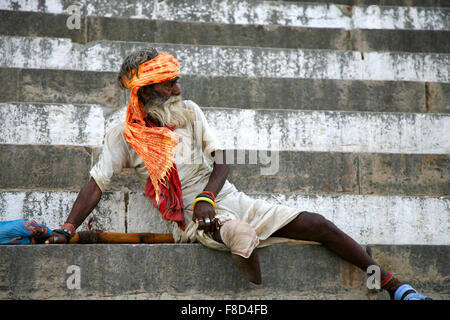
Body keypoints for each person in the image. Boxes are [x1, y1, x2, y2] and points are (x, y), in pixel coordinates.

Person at [46, 48, 431, 300]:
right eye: (169, 83)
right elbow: (98, 183)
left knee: (318, 224)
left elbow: (223, 158)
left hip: (221, 198)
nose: (178, 88)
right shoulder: (124, 132)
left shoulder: (189, 111)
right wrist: (67, 227)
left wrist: (206, 197)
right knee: (241, 238)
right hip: (190, 220)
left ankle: (396, 287)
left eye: (177, 80)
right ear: (145, 90)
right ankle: (233, 242)